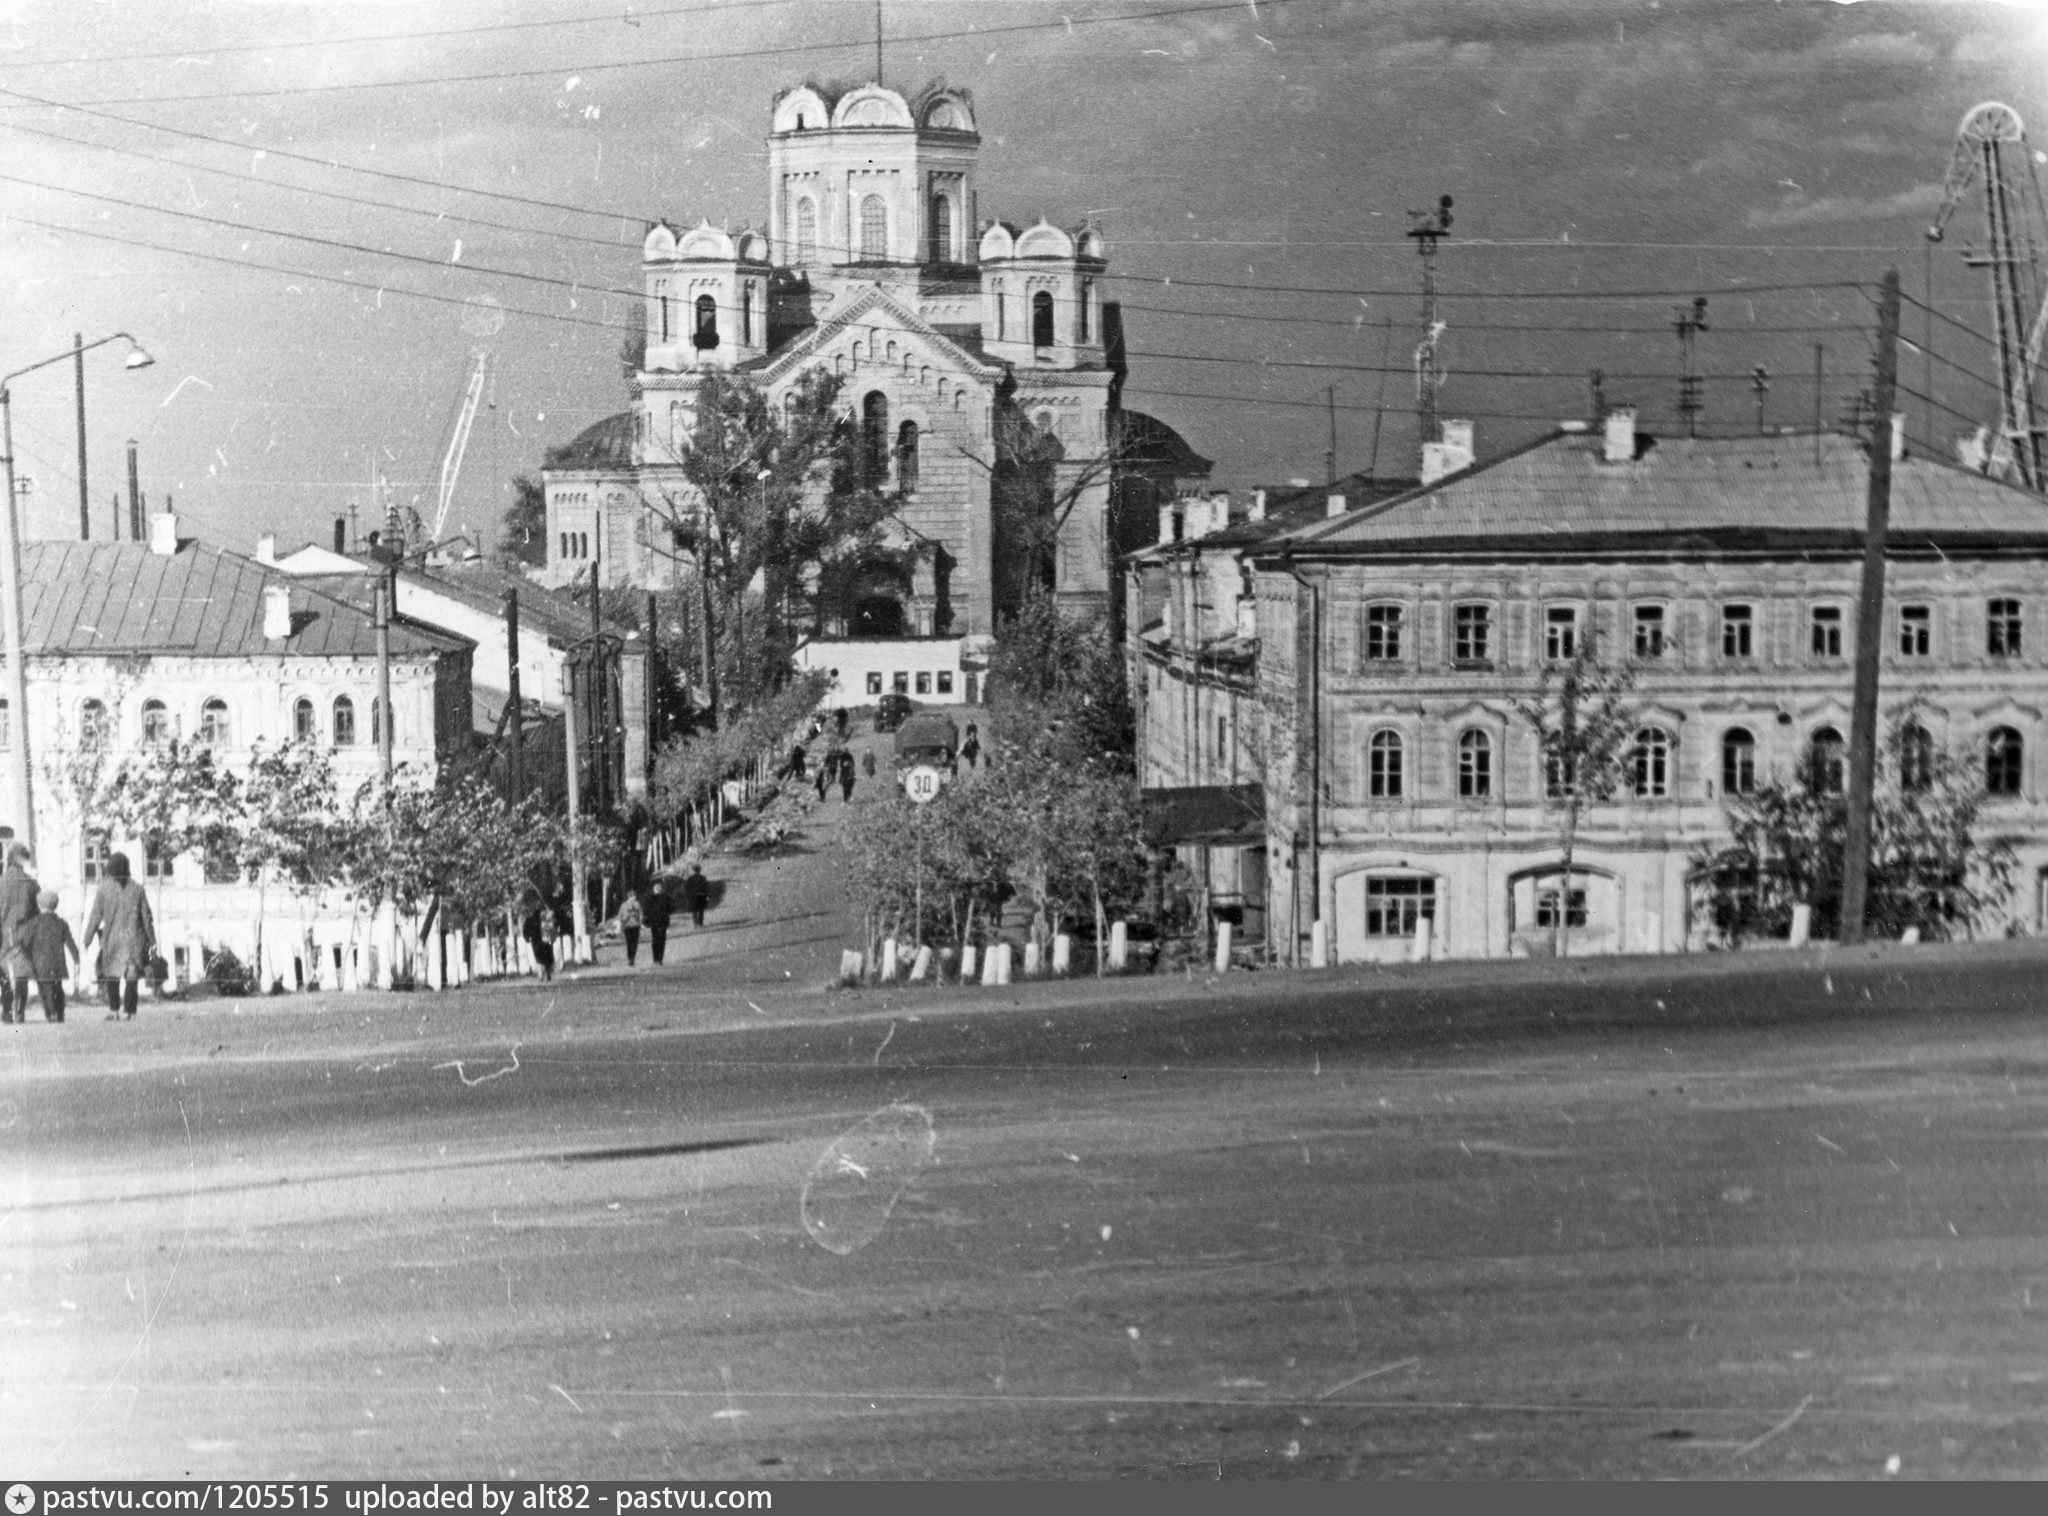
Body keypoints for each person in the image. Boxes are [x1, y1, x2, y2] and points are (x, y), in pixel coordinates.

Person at [81, 851, 154, 1021]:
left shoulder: (103, 890)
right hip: (134, 939)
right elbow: (147, 917)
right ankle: (129, 1012)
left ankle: (114, 1011)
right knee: (131, 976)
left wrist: (87, 938)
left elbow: (95, 916)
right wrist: (152, 940)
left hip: (112, 939)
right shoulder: (138, 889)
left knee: (111, 976)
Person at [14, 890, 79, 1023]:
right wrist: (76, 958)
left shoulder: (34, 922)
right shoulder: (61, 923)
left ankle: (51, 1014)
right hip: (58, 962)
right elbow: (70, 943)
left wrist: (25, 954)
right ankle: (60, 1013)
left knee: (45, 990)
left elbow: (24, 942)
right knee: (57, 988)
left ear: (39, 904)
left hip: (40, 963)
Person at [0, 843, 39, 1025]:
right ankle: (19, 1011)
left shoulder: (2, 881)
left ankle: (7, 1010)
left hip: (4, 931)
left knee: (5, 972)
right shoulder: (30, 883)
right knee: (21, 972)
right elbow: (36, 910)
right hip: (24, 932)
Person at [522, 894, 556, 982]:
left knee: (539, 957)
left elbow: (525, 930)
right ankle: (547, 973)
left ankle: (541, 973)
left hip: (536, 942)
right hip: (546, 940)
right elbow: (553, 928)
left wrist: (527, 938)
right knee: (548, 957)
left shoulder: (529, 920)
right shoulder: (546, 920)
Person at [643, 878, 674, 964]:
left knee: (655, 940)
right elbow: (672, 908)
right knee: (662, 940)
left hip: (654, 922)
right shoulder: (666, 897)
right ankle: (660, 959)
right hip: (663, 921)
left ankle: (655, 958)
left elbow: (646, 910)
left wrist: (647, 920)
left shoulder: (649, 898)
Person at [618, 888, 644, 966]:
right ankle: (630, 958)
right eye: (633, 896)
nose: (634, 897)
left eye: (635, 896)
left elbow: (641, 913)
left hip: (635, 925)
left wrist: (640, 921)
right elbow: (620, 915)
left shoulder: (637, 904)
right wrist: (622, 921)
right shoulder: (624, 905)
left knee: (635, 942)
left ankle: (632, 957)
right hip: (627, 926)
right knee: (629, 942)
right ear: (629, 897)